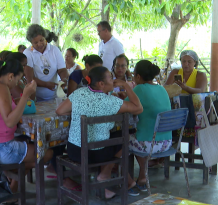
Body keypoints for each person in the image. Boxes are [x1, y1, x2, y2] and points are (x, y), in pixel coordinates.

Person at [56, 66, 143, 198]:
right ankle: (105, 174)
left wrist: (79, 111)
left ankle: (107, 178)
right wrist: (126, 85)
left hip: (74, 151)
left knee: (116, 137)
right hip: (97, 155)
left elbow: (59, 111)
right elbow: (138, 108)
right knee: (123, 137)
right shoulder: (111, 102)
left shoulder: (79, 93)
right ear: (101, 84)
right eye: (110, 78)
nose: (113, 80)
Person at [0, 59, 53, 193]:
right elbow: (10, 121)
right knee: (47, 153)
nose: (17, 83)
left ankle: (10, 184)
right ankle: (11, 189)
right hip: (2, 148)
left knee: (28, 149)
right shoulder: (1, 88)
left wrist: (17, 101)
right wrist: (25, 95)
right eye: (18, 79)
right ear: (10, 76)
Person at [124, 60, 172, 191]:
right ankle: (142, 177)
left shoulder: (139, 88)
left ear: (138, 76)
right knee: (139, 138)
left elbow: (124, 106)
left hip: (150, 144)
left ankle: (128, 180)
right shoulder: (161, 89)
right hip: (166, 143)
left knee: (120, 142)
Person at [23, 24, 68, 101]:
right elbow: (29, 78)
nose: (39, 44)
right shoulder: (28, 53)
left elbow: (62, 70)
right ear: (31, 42)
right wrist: (46, 85)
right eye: (35, 42)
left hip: (55, 96)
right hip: (36, 97)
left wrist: (64, 80)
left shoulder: (54, 50)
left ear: (45, 38)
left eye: (41, 40)